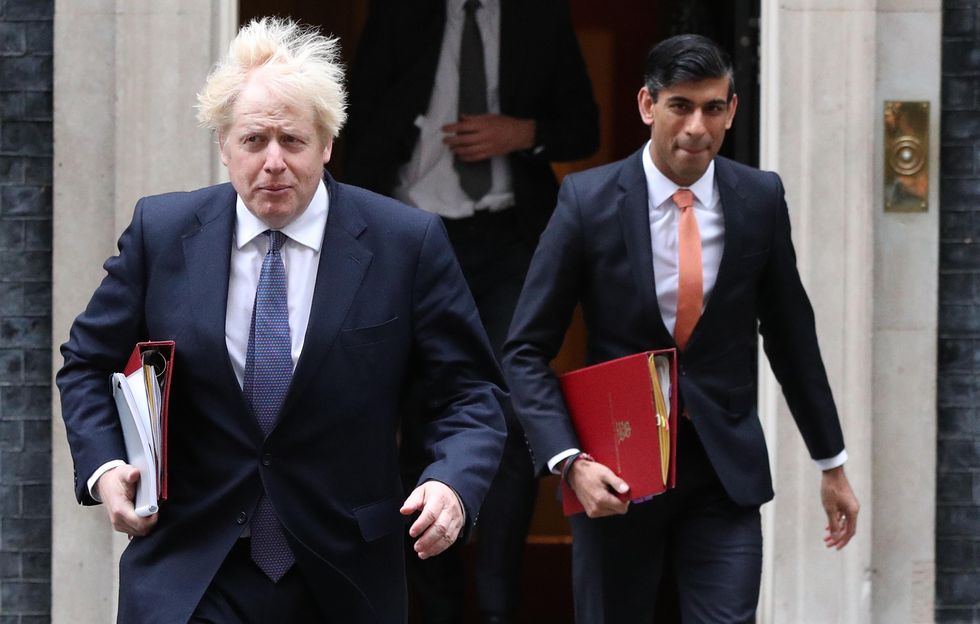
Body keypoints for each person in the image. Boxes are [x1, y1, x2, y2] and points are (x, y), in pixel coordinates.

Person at [56, 17, 506, 624]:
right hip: (190, 569)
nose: (273, 162)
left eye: (292, 141)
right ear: (223, 146)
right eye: (253, 141)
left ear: (326, 143)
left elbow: (471, 393)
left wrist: (452, 482)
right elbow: (87, 362)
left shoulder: (406, 243)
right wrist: (107, 468)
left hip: (344, 572)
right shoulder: (161, 234)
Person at [502, 34, 860, 623]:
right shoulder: (587, 202)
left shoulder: (759, 198)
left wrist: (832, 464)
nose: (697, 127)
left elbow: (793, 337)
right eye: (681, 106)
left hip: (724, 475)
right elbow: (523, 351)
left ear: (732, 111)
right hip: (616, 474)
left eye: (713, 108)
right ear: (648, 105)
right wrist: (570, 461)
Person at [344, 1, 598, 622]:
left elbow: (583, 127)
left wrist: (524, 132)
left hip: (509, 240)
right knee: (420, 417)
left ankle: (496, 603)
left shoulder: (540, 17)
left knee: (509, 416)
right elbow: (351, 118)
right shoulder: (400, 14)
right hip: (412, 237)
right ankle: (432, 602)